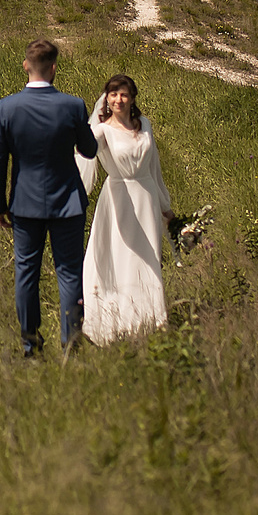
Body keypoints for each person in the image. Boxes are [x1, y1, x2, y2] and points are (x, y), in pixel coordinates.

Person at [0, 38, 98, 358]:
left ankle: (30, 347)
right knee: (69, 273)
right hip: (68, 201)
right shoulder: (73, 105)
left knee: (26, 274)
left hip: (24, 202)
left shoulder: (6, 107)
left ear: (26, 66)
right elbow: (89, 151)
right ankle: (71, 344)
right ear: (53, 68)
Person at [80, 74, 168, 343]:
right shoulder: (103, 130)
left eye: (124, 94)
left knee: (148, 257)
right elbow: (86, 149)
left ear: (132, 98)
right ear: (106, 98)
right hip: (118, 196)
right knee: (120, 255)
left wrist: (165, 205)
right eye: (113, 94)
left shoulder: (146, 126)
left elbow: (155, 168)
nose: (118, 99)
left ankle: (152, 318)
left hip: (146, 196)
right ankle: (117, 319)